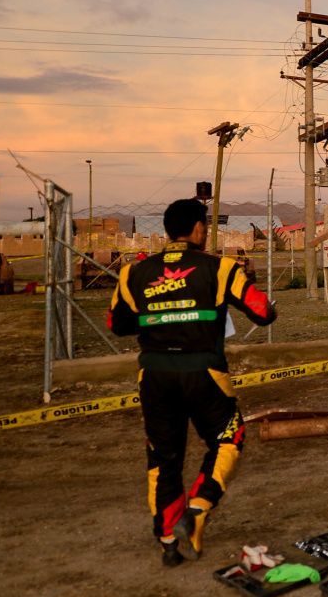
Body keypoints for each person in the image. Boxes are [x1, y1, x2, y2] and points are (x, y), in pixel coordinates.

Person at [108, 198, 277, 567]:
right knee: (229, 437)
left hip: (154, 376)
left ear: (167, 230)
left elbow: (117, 325)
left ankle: (168, 540)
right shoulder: (221, 268)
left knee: (163, 456)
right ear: (199, 229)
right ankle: (198, 508)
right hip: (205, 374)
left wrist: (162, 318)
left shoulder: (132, 273)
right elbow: (263, 313)